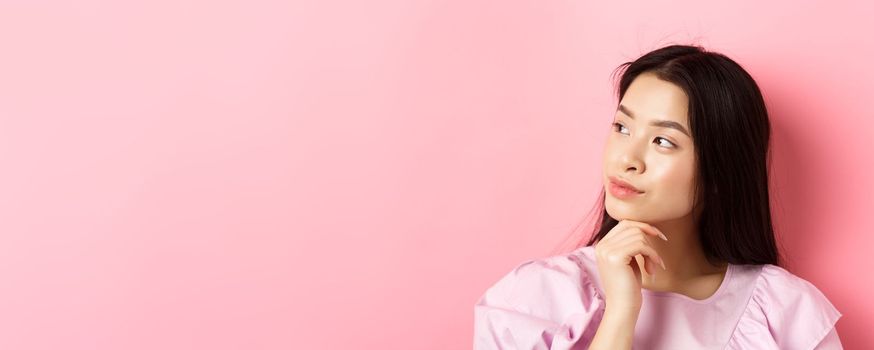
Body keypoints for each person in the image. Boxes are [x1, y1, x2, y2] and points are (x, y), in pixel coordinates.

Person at [472, 44, 843, 349]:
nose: (627, 159)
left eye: (663, 141)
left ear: (720, 171)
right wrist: (620, 313)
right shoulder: (532, 300)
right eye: (622, 127)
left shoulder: (786, 314)